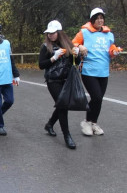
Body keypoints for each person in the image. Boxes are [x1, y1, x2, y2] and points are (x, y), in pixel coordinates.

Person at [72, 8, 123, 136]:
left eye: (102, 18)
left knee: (99, 100)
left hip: (103, 71)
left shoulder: (109, 34)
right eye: (97, 18)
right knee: (96, 97)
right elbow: (72, 44)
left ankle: (94, 123)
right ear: (92, 20)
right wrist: (79, 46)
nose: (100, 20)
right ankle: (87, 122)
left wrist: (114, 51)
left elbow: (110, 49)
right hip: (89, 71)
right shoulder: (84, 32)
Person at [39, 20, 80, 149]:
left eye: (53, 33)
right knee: (63, 105)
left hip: (66, 80)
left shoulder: (68, 44)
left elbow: (76, 62)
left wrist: (77, 55)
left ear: (59, 33)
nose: (50, 35)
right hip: (53, 80)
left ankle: (50, 124)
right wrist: (53, 57)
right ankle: (67, 135)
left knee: (63, 105)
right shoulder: (45, 46)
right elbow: (41, 65)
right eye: (49, 33)